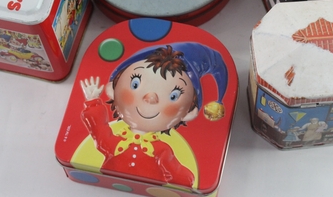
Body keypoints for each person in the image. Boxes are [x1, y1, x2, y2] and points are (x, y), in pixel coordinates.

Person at [73, 42, 228, 189]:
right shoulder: (118, 142)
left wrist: (184, 183)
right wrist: (93, 102)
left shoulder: (161, 150)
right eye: (135, 84)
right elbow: (100, 132)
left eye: (173, 96)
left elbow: (179, 175)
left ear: (188, 113)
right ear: (113, 89)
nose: (150, 98)